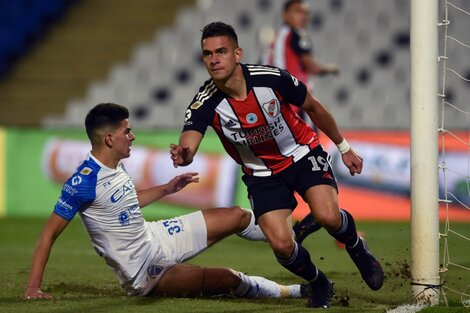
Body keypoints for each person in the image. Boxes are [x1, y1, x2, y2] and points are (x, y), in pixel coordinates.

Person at [170, 22, 384, 308]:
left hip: (301, 154)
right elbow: (190, 139)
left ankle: (357, 248)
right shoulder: (205, 101)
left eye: (221, 51)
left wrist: (344, 148)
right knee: (283, 246)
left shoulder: (271, 79)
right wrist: (185, 154)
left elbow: (314, 108)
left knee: (328, 216)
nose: (214, 59)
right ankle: (319, 283)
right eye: (207, 54)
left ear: (237, 53)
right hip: (261, 175)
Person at [24, 103, 310, 301]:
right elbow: (48, 234)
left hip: (156, 236)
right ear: (109, 139)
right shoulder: (81, 183)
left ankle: (290, 236)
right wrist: (33, 288)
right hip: (143, 272)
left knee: (237, 215)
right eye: (127, 131)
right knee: (229, 279)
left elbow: (126, 204)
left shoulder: (115, 165)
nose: (132, 136)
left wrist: (167, 188)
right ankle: (294, 292)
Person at [263, 0, 338, 120]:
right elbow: (312, 67)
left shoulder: (276, 37)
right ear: (285, 14)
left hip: (272, 98)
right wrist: (331, 69)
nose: (303, 16)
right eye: (298, 11)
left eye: (306, 13)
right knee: (312, 132)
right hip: (295, 97)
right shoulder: (297, 34)